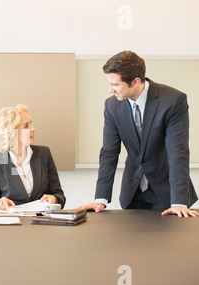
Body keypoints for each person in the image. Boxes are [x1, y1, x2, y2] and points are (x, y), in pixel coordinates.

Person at [77, 50, 198, 217]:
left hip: (167, 192)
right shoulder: (112, 106)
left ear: (135, 81)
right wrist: (101, 199)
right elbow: (109, 153)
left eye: (115, 84)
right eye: (109, 83)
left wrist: (178, 201)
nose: (110, 90)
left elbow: (178, 152)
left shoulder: (173, 101)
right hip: (133, 193)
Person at [0, 104, 65, 210]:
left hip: (42, 223)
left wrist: (54, 199)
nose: (33, 128)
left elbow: (59, 195)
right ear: (11, 132)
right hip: (13, 224)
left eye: (30, 123)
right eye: (26, 126)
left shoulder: (44, 154)